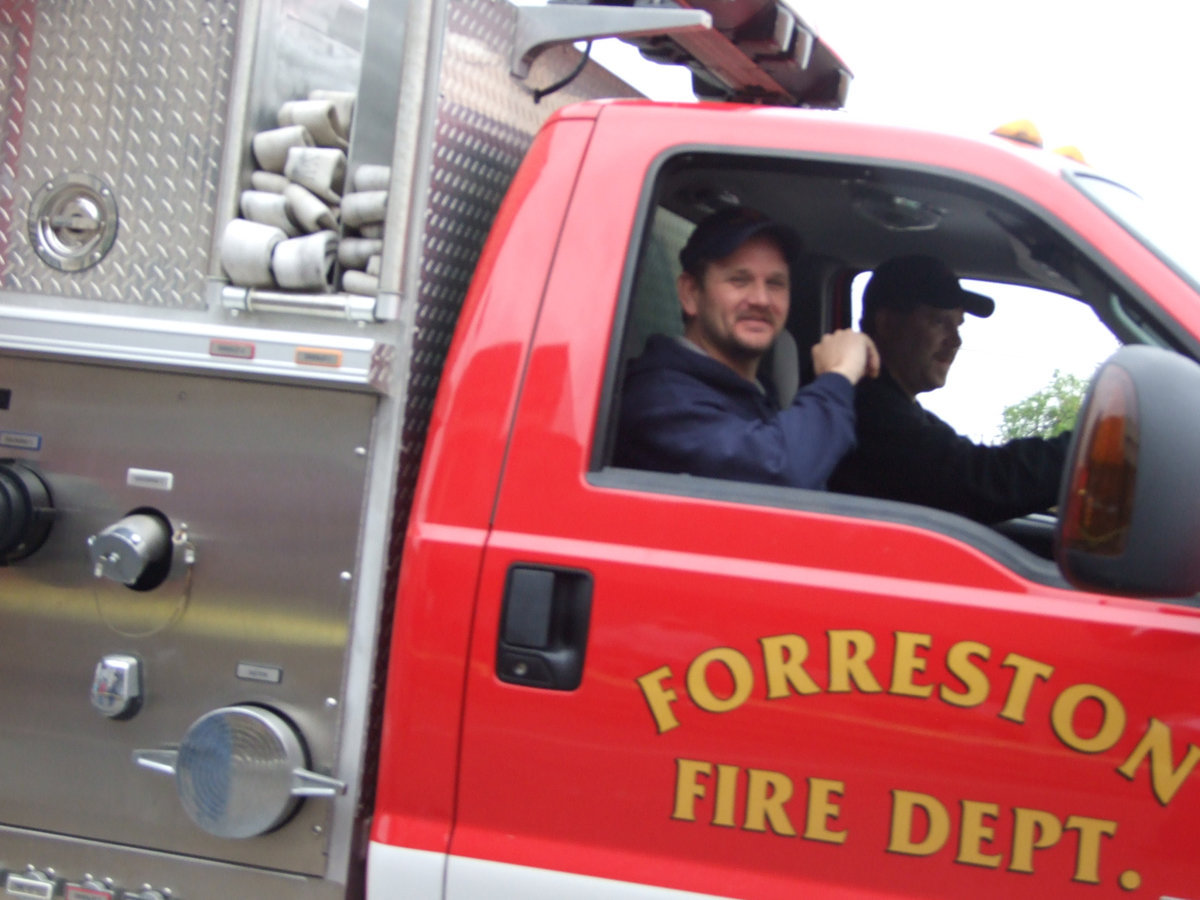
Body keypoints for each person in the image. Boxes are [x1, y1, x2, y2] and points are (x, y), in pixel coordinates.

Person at [615, 207, 879, 489]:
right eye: (739, 280)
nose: (761, 299)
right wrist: (837, 376)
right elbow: (781, 476)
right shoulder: (659, 400)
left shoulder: (756, 390)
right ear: (690, 293)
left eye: (775, 284)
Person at [829, 254, 1071, 523]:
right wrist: (1087, 452)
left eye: (957, 325)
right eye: (938, 322)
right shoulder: (863, 407)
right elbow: (975, 483)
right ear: (886, 324)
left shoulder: (888, 402)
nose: (955, 340)